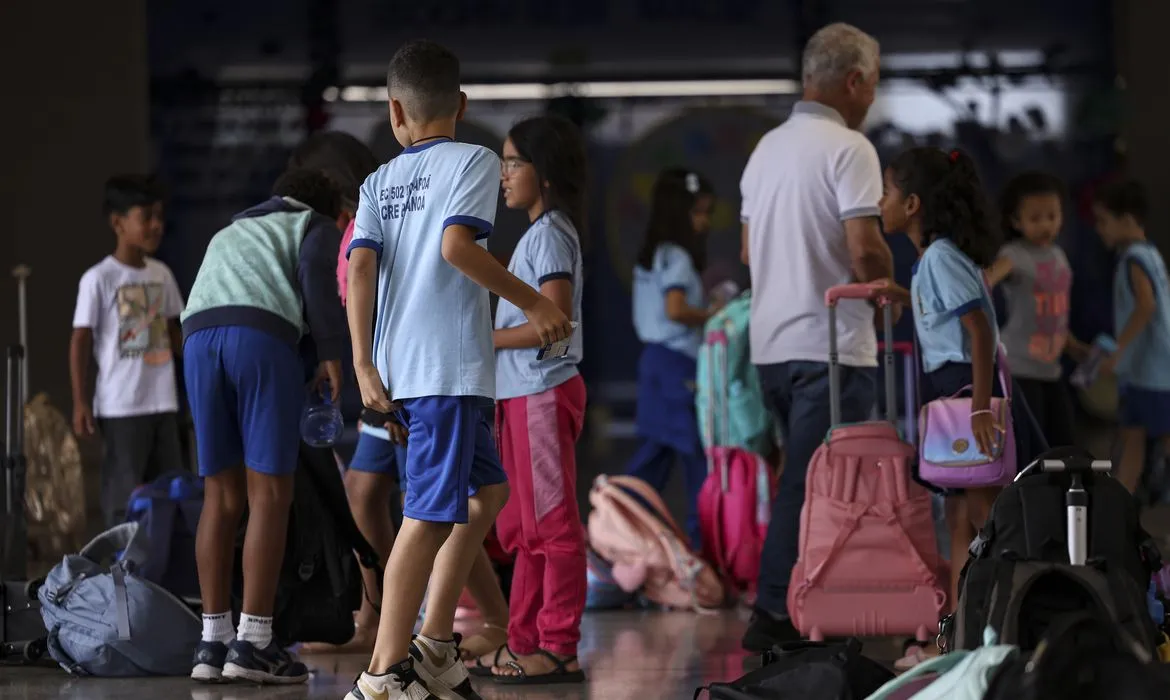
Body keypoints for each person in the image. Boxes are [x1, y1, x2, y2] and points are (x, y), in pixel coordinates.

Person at [345, 40, 572, 700]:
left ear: (394, 111)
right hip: (445, 369)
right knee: (427, 517)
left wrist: (362, 362)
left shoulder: (377, 182)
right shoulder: (472, 160)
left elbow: (360, 269)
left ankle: (437, 646)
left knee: (487, 492)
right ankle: (385, 673)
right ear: (462, 105)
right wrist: (535, 302)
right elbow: (456, 247)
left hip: (412, 370)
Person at [737, 22, 892, 650]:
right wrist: (887, 286)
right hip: (830, 347)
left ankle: (806, 603)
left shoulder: (765, 149)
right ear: (854, 81)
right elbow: (865, 250)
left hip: (771, 346)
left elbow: (748, 252)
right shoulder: (851, 149)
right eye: (873, 85)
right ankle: (776, 612)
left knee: (802, 480)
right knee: (818, 485)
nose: (872, 99)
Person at [873, 149, 1042, 661]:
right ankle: (961, 630)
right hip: (954, 389)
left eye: (886, 192)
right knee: (958, 516)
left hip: (967, 390)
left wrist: (982, 406)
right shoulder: (933, 260)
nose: (879, 202)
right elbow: (948, 317)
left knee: (984, 513)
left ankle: (997, 626)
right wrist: (904, 294)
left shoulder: (941, 256)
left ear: (913, 205)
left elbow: (980, 331)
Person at [183, 168, 348, 684]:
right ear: (331, 211)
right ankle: (254, 643)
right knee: (270, 495)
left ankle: (212, 643)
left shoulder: (233, 229)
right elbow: (317, 281)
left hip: (197, 340)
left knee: (220, 496)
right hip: (258, 337)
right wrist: (332, 354)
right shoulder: (313, 225)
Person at [486, 114, 589, 684]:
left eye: (513, 162)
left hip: (541, 393)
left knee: (552, 527)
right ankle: (523, 642)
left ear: (543, 172)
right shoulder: (539, 233)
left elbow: (555, 321)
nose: (504, 175)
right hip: (523, 396)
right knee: (525, 531)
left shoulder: (549, 233)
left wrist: (488, 339)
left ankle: (559, 646)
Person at [70, 175, 186, 527]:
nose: (156, 226)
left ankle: (164, 557)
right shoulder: (99, 278)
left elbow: (174, 331)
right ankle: (119, 560)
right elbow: (80, 340)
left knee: (171, 489)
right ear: (118, 223)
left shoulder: (161, 274)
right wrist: (80, 401)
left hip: (163, 402)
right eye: (146, 217)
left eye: (160, 216)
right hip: (122, 404)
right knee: (124, 496)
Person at [625, 168, 716, 550]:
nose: (705, 222)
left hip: (652, 362)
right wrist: (714, 313)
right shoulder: (678, 256)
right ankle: (705, 545)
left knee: (653, 455)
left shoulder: (651, 256)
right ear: (680, 212)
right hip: (678, 365)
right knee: (697, 457)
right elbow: (676, 309)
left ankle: (618, 527)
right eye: (699, 212)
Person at [986, 172, 1076, 448]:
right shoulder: (1014, 255)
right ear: (1016, 221)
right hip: (1020, 369)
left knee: (1064, 443)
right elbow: (986, 281)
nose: (1046, 225)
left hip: (1052, 370)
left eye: (1052, 216)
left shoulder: (1059, 256)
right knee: (1031, 446)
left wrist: (1077, 348)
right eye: (1035, 219)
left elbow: (1055, 315)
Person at [1092, 180, 1170, 494]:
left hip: (1151, 373)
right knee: (1132, 437)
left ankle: (1123, 500)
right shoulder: (1151, 253)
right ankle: (1122, 503)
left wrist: (1118, 351)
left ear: (1125, 219)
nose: (1099, 230)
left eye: (1103, 221)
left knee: (1150, 439)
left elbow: (1146, 305)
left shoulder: (1133, 258)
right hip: (1146, 372)